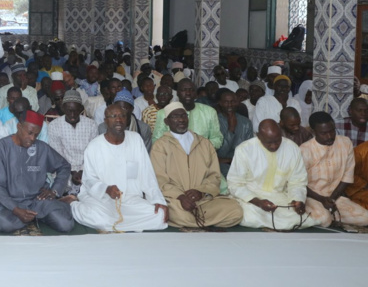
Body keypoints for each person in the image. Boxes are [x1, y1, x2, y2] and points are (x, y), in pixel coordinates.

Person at [72, 104, 168, 232]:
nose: (118, 119)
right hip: (102, 199)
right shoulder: (94, 146)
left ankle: (115, 225)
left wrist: (157, 199)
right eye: (114, 116)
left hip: (131, 198)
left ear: (127, 119)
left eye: (122, 116)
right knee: (100, 219)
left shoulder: (135, 139)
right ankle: (73, 204)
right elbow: (89, 180)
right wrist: (106, 189)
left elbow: (147, 174)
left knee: (159, 216)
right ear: (105, 121)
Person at [150, 102, 242, 228]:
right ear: (166, 122)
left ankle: (193, 222)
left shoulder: (204, 143)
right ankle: (203, 221)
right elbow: (159, 179)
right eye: (175, 116)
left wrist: (201, 191)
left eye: (183, 115)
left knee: (235, 211)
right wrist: (181, 196)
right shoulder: (160, 146)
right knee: (178, 213)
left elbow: (214, 176)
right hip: (175, 201)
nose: (181, 119)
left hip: (202, 200)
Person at [0, 110, 73, 233]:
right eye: (29, 133)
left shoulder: (42, 148)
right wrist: (16, 210)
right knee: (4, 223)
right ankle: (35, 217)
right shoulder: (0, 148)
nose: (32, 138)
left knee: (66, 224)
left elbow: (64, 166)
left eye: (36, 135)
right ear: (19, 127)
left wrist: (54, 190)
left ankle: (33, 216)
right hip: (11, 203)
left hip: (38, 201)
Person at [227, 119, 315, 230]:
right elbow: (235, 184)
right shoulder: (244, 149)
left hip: (278, 196)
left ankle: (272, 225)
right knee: (250, 216)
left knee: (298, 218)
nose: (274, 146)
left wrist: (297, 200)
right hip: (250, 197)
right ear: (258, 136)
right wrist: (258, 202)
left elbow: (297, 181)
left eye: (277, 141)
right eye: (269, 143)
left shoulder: (292, 148)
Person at [300, 111, 368, 227]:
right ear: (313, 132)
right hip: (312, 197)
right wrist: (322, 199)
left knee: (365, 218)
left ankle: (331, 217)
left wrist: (331, 199)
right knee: (324, 220)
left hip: (335, 197)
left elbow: (347, 177)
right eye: (324, 133)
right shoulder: (304, 150)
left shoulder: (345, 143)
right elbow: (299, 183)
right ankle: (329, 217)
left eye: (332, 131)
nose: (330, 136)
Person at [44, 91, 97, 196]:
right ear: (63, 108)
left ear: (81, 109)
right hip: (64, 169)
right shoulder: (54, 126)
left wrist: (81, 170)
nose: (72, 115)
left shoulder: (91, 125)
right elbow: (58, 154)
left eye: (75, 111)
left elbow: (93, 153)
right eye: (69, 111)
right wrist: (72, 171)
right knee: (61, 185)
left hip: (87, 168)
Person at [152, 79, 222, 149]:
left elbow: (217, 139)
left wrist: (200, 148)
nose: (188, 93)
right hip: (173, 157)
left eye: (191, 90)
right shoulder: (164, 113)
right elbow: (156, 141)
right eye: (184, 90)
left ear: (196, 93)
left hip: (202, 156)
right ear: (177, 93)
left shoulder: (209, 112)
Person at [216, 89, 253, 177]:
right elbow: (220, 153)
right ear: (220, 103)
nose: (230, 105)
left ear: (237, 103)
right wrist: (231, 129)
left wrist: (231, 160)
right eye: (226, 102)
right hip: (221, 166)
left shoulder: (246, 122)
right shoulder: (215, 121)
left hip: (242, 163)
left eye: (233, 102)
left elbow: (250, 150)